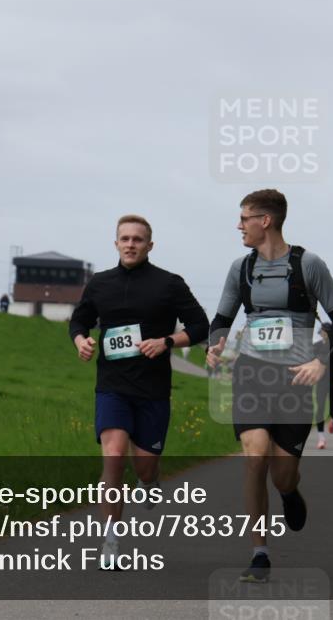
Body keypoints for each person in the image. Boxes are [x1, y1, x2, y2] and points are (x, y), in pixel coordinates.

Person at [206, 189, 333, 583]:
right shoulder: (240, 268)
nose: (239, 225)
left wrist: (321, 360)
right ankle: (259, 553)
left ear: (264, 221)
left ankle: (290, 492)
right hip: (252, 372)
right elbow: (221, 317)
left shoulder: (309, 264)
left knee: (282, 473)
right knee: (255, 457)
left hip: (295, 379)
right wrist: (215, 342)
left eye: (244, 218)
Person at [68, 214, 209, 570]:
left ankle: (151, 480)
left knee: (144, 467)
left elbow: (199, 325)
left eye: (138, 239)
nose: (131, 244)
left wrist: (166, 342)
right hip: (112, 386)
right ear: (115, 243)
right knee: (113, 456)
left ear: (150, 245)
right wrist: (81, 340)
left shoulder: (169, 284)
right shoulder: (100, 284)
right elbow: (79, 319)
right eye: (124, 238)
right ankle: (110, 540)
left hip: (153, 389)